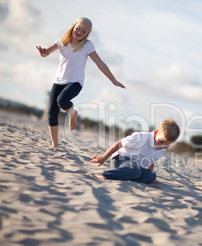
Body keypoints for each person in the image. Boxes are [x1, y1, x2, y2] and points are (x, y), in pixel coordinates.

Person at [36, 17, 125, 147]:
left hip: (75, 83)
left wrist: (113, 80)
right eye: (78, 28)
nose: (79, 32)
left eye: (83, 32)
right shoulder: (62, 41)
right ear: (73, 26)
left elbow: (100, 63)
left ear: (87, 35)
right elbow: (46, 53)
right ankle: (55, 145)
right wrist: (43, 53)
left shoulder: (87, 46)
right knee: (51, 113)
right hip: (58, 81)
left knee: (62, 100)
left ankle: (73, 113)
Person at [89, 119, 180, 184]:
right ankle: (106, 175)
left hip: (136, 167)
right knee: (134, 170)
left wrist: (148, 175)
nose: (162, 146)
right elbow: (119, 144)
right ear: (156, 133)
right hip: (121, 160)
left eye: (167, 145)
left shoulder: (162, 148)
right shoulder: (141, 137)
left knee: (152, 176)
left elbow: (151, 160)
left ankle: (129, 175)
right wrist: (103, 157)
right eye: (161, 141)